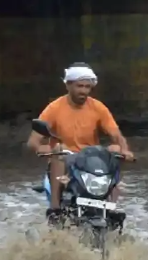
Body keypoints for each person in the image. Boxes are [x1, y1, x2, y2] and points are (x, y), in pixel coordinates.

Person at [27, 62, 135, 225]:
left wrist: (125, 150)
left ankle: (111, 205)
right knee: (58, 149)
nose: (84, 91)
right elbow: (33, 142)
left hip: (90, 161)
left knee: (115, 149)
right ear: (68, 85)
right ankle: (55, 209)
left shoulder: (98, 107)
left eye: (87, 87)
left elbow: (116, 134)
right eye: (80, 86)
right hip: (66, 162)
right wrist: (47, 150)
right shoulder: (54, 108)